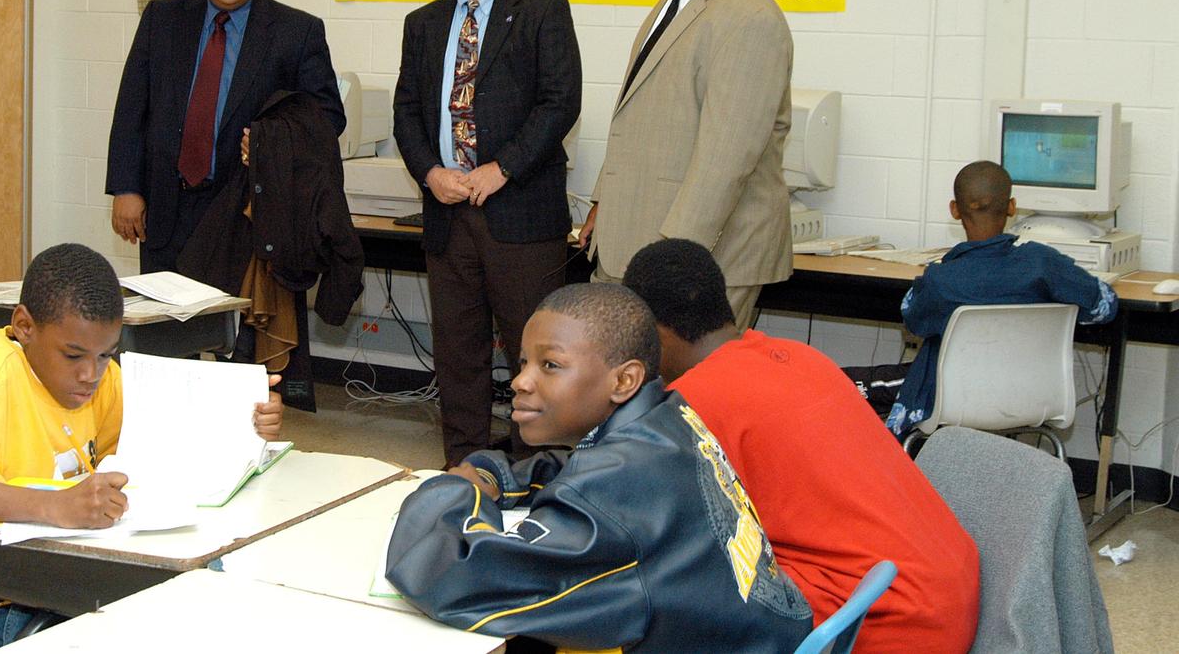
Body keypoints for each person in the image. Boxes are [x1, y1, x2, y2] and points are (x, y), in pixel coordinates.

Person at [384, 283, 812, 652]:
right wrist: (495, 475)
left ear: (623, 381)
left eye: (549, 365)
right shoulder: (665, 418)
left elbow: (452, 578)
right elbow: (573, 467)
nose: (521, 381)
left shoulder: (614, 485)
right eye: (523, 363)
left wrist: (455, 490)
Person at [0, 243, 283, 654]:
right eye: (73, 355)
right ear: (24, 326)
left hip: (70, 579)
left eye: (106, 355)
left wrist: (247, 423)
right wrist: (56, 506)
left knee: (214, 592)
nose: (90, 374)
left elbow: (155, 436)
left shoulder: (98, 381)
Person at [623, 238, 980, 653]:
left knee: (651, 606)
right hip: (942, 592)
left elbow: (639, 530)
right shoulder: (801, 356)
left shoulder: (689, 404)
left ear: (651, 333)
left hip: (891, 622)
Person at [392, 0, 581, 467]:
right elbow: (405, 112)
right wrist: (430, 173)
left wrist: (503, 168)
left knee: (535, 354)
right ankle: (466, 466)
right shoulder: (421, 24)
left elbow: (559, 103)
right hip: (449, 217)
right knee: (457, 351)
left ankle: (532, 471)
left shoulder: (543, 9)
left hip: (521, 214)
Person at [580, 0, 794, 330]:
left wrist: (677, 260)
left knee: (695, 394)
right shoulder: (674, 2)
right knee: (630, 382)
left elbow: (728, 156)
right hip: (637, 237)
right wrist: (606, 202)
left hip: (705, 258)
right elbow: (637, 118)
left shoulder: (749, 16)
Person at [106, 0, 345, 275]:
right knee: (166, 328)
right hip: (165, 212)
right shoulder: (162, 20)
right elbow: (131, 110)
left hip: (248, 215)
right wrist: (126, 188)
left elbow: (327, 118)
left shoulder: (296, 31)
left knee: (236, 331)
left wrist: (273, 140)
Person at [886, 160, 1119, 437]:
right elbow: (1105, 307)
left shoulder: (941, 280)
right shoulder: (1043, 264)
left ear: (955, 210)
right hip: (1030, 398)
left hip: (951, 403)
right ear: (1011, 207)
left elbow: (913, 319)